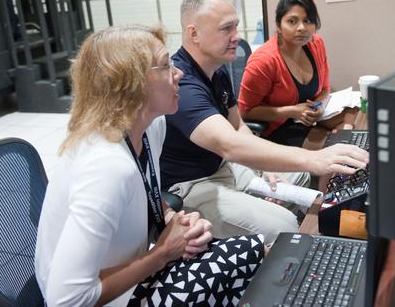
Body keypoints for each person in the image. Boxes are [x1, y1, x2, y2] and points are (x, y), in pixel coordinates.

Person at [34, 26, 265, 307]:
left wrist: (173, 221)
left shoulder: (151, 128)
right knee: (252, 269)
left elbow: (147, 195)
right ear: (131, 83)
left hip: (133, 272)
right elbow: (66, 300)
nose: (179, 73)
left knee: (255, 251)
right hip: (106, 296)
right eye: (166, 65)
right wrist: (163, 253)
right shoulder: (107, 167)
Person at [160, 0, 369, 243]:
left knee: (299, 177)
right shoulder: (183, 84)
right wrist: (314, 158)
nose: (236, 37)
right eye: (226, 29)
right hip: (194, 185)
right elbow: (229, 144)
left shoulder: (216, 69)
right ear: (194, 33)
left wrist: (262, 165)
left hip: (225, 169)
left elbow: (238, 125)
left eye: (236, 27)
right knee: (285, 224)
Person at [239, 0, 330, 147]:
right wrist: (293, 111)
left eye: (307, 20)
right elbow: (244, 111)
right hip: (277, 129)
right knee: (336, 151)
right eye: (292, 21)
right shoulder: (264, 61)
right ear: (279, 25)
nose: (302, 28)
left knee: (358, 118)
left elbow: (325, 89)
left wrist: (319, 106)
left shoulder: (316, 44)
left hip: (310, 121)